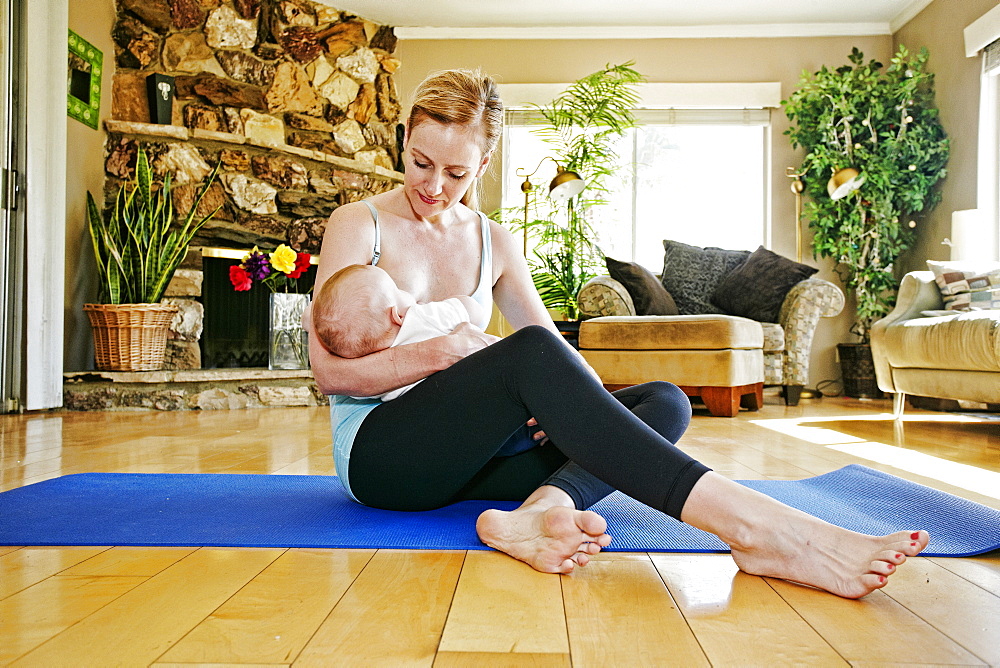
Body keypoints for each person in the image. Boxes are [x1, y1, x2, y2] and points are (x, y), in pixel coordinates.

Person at [307, 68, 929, 599]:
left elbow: (548, 347)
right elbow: (329, 373)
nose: (434, 186)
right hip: (384, 457)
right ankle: (763, 530)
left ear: (485, 163)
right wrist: (445, 350)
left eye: (456, 172)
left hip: (478, 462)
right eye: (419, 162)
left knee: (664, 399)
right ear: (403, 140)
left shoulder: (495, 241)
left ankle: (539, 511)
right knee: (529, 357)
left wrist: (561, 406)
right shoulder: (358, 224)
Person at [308, 263, 482, 400]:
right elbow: (472, 310)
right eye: (397, 290)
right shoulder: (421, 317)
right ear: (397, 315)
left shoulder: (369, 381)